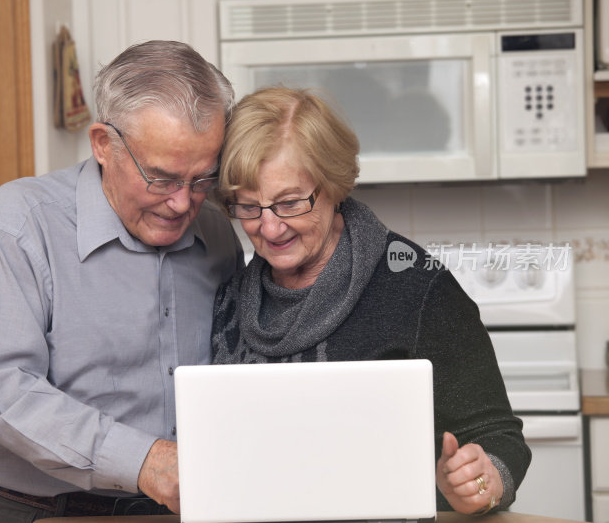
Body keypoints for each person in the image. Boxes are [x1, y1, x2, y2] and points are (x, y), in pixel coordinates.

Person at [0, 40, 242, 522]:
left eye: (203, 178)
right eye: (161, 178)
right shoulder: (15, 227)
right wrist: (144, 461)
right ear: (104, 144)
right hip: (27, 509)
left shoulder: (217, 234)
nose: (184, 203)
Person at [211, 87, 531, 515]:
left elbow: (499, 436)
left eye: (289, 203)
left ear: (334, 185)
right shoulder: (230, 296)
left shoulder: (416, 287)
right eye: (249, 207)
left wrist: (483, 478)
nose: (269, 229)